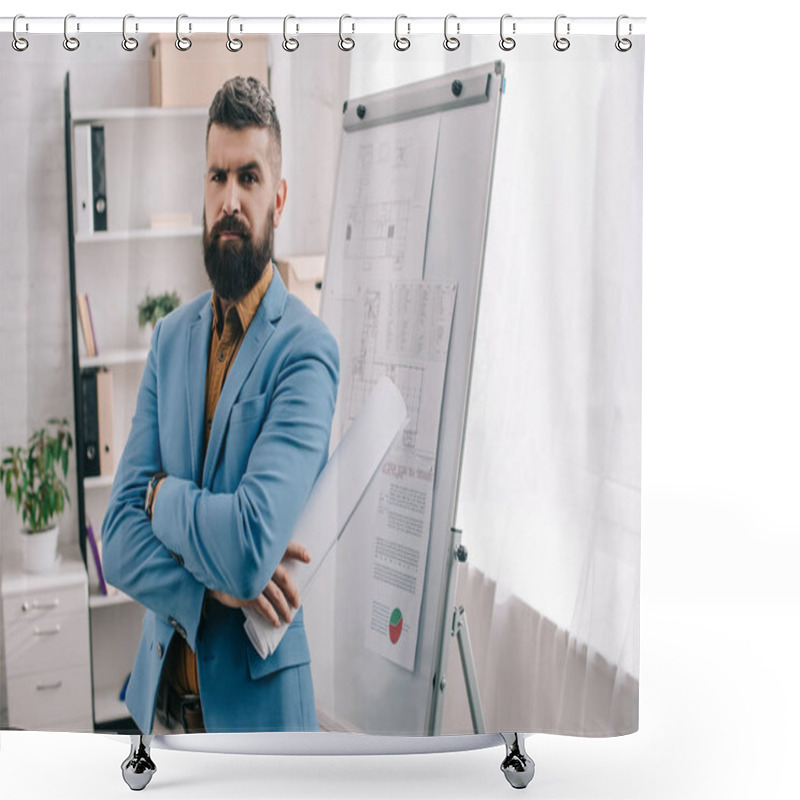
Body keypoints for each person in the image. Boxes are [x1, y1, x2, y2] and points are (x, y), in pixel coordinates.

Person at [102, 76, 339, 735]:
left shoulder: (307, 352)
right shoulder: (172, 339)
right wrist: (206, 589)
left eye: (249, 178)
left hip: (256, 727)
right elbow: (116, 545)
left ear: (278, 198)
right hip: (161, 716)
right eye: (216, 177)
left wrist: (157, 497)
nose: (229, 199)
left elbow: (246, 549)